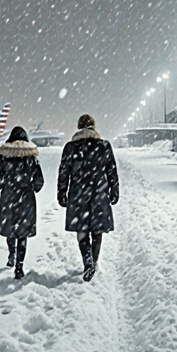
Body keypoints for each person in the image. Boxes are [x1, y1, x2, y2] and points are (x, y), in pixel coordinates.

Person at [57, 114, 119, 282]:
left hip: (78, 193)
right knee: (97, 230)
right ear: (94, 127)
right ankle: (94, 261)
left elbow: (64, 172)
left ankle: (87, 261)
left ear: (79, 127)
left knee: (82, 230)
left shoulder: (70, 147)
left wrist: (62, 192)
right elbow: (111, 171)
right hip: (99, 192)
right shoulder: (104, 146)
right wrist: (114, 190)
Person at [0, 126, 44, 279]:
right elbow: (39, 179)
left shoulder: (3, 155)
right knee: (23, 233)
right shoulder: (31, 156)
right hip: (26, 198)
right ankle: (19, 266)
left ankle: (11, 254)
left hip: (9, 197)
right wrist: (31, 188)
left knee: (10, 228)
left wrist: (4, 186)